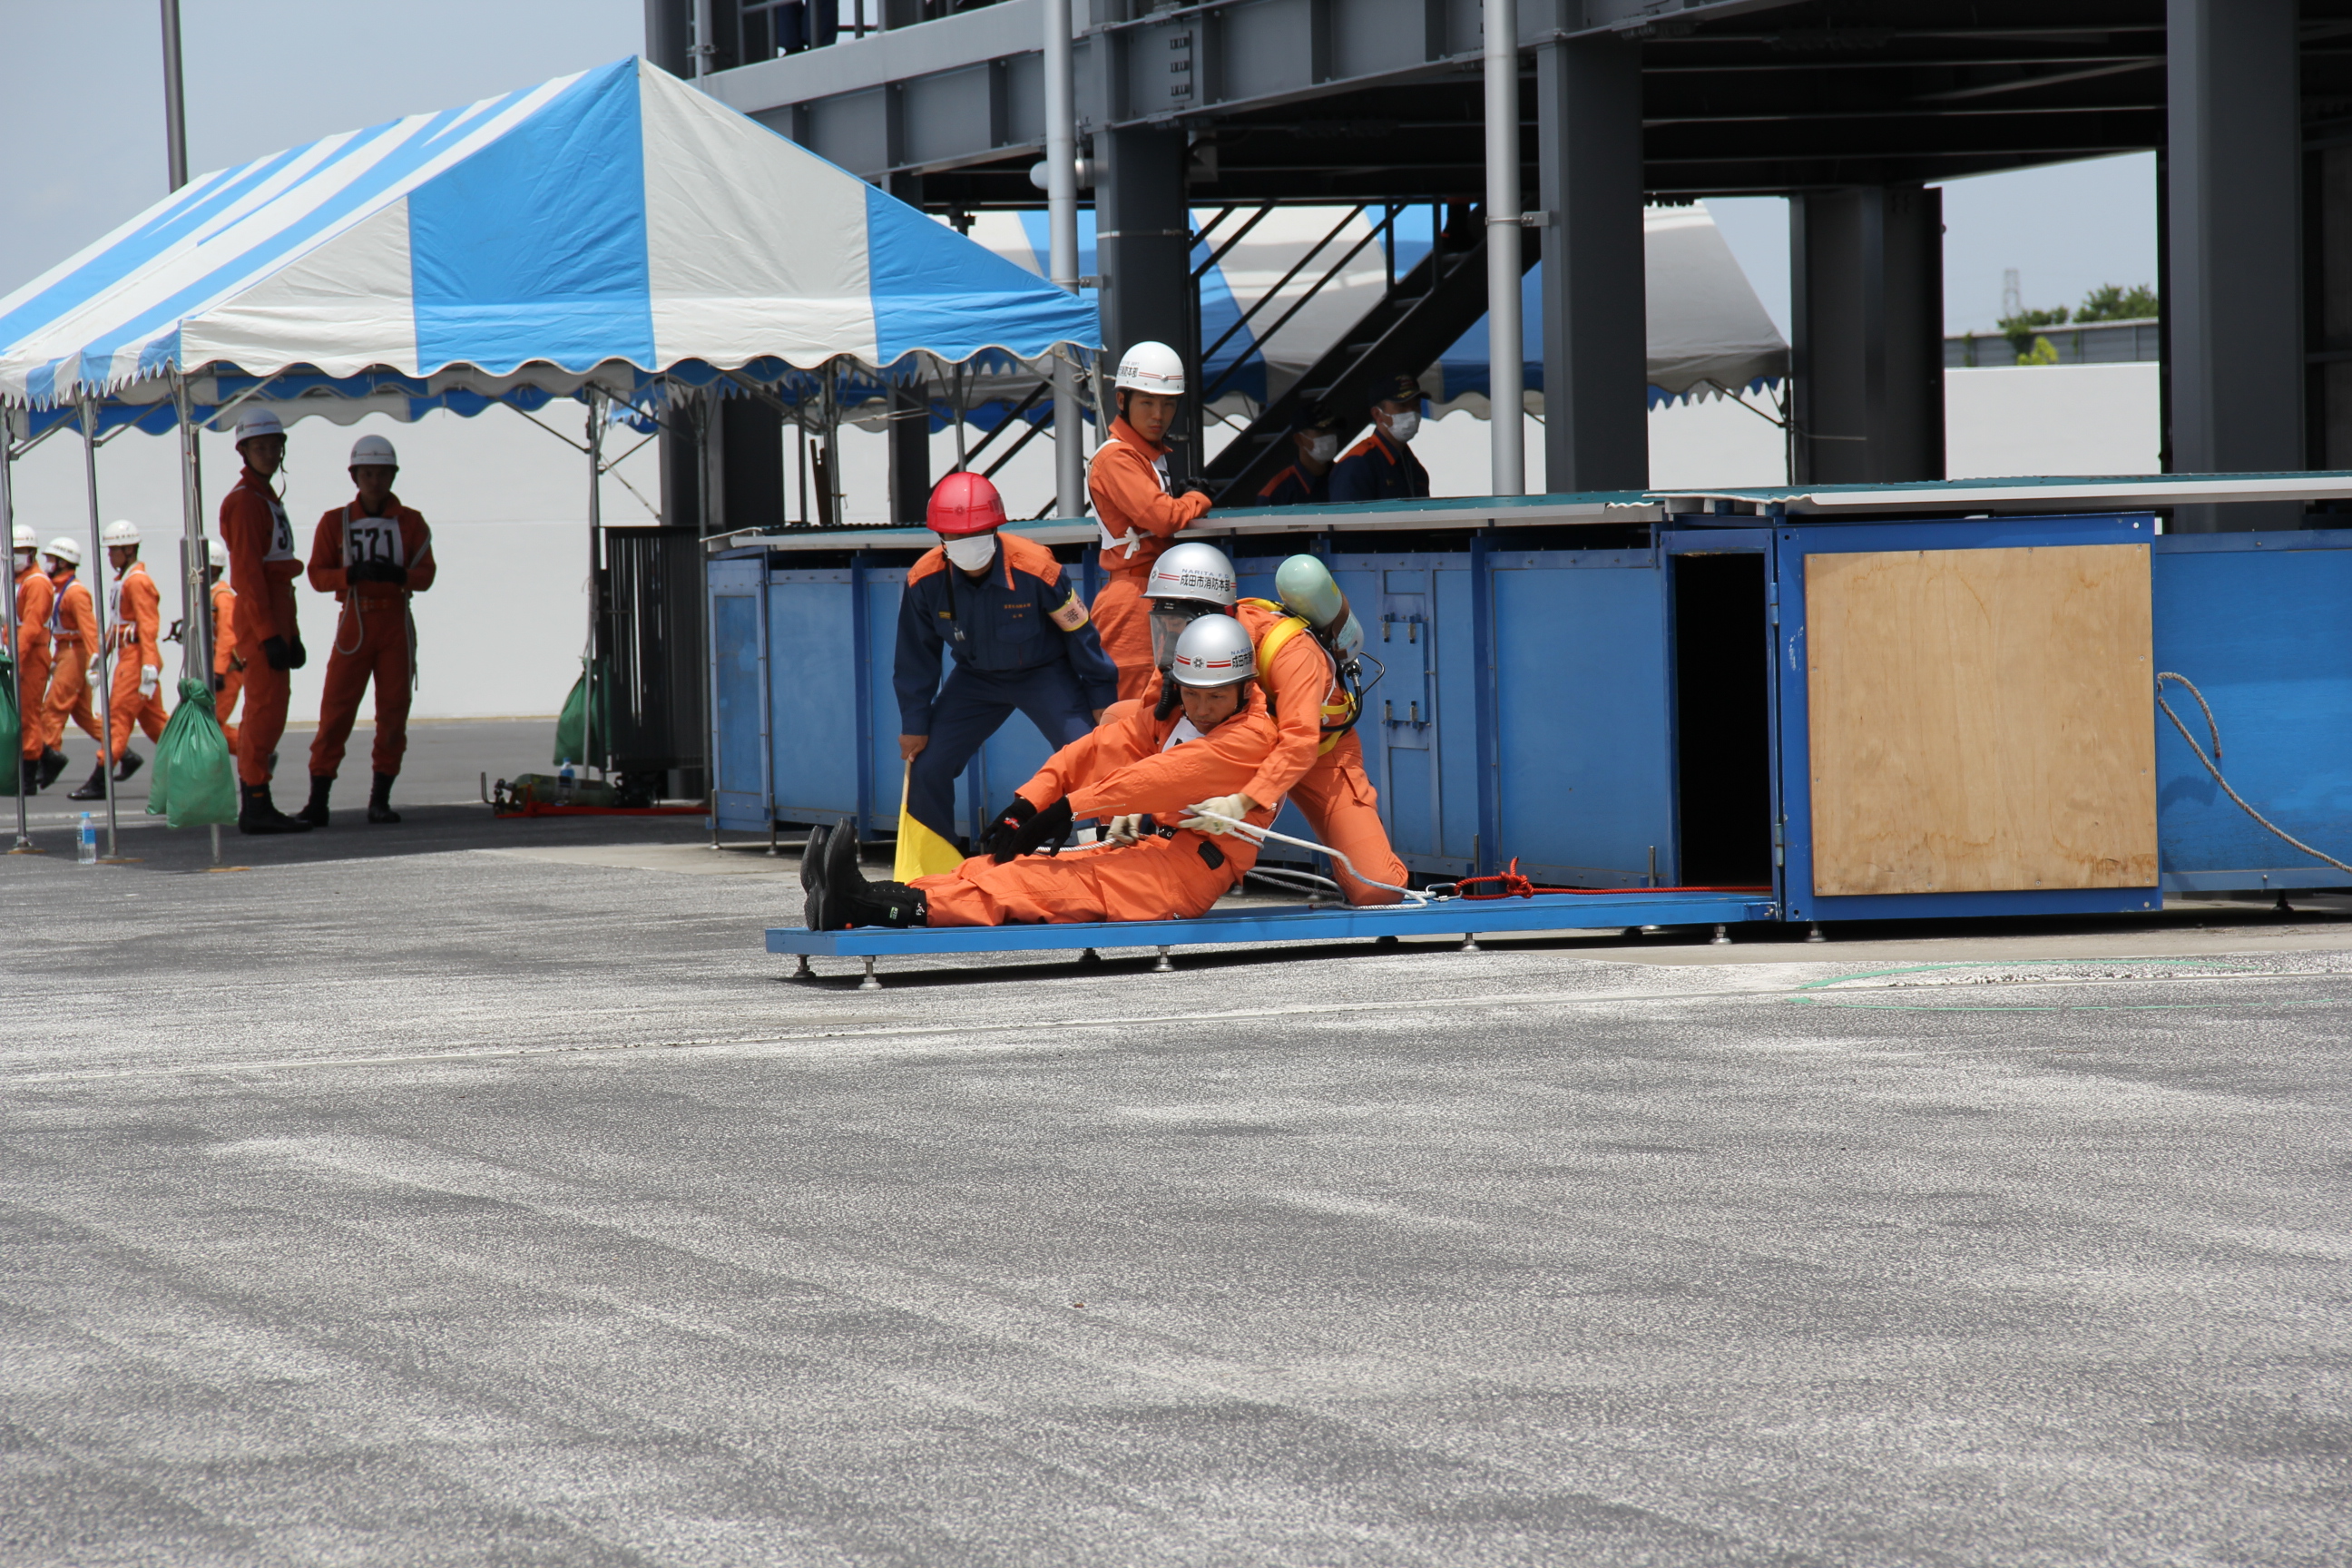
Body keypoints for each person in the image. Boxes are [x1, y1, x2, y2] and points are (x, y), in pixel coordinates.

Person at [807, 613, 1280, 929]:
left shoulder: (1251, 738)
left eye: (1215, 696)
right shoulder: (1177, 709)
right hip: (1154, 848)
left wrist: (1068, 810)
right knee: (1002, 865)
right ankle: (863, 895)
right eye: (1192, 693)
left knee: (1036, 887)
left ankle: (867, 906)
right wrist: (1030, 801)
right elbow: (1095, 749)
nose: (1201, 708)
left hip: (1187, 875)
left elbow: (1160, 778)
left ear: (1244, 688)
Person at [1138, 542, 1408, 905]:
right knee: (1117, 717)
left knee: (1376, 889)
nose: (1171, 639)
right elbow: (1147, 721)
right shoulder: (1184, 649)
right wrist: (1128, 805)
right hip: (1236, 742)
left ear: (1216, 614)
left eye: (1179, 625)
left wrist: (1244, 801)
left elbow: (1299, 742)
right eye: (1163, 625)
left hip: (1317, 754)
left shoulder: (1289, 650)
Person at [893, 470, 1119, 878]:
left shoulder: (1038, 569)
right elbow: (914, 658)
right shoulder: (923, 581)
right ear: (940, 537)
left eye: (976, 533)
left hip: (1044, 672)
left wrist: (1102, 698)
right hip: (975, 679)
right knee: (927, 766)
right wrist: (915, 722)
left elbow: (1080, 633)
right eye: (954, 537)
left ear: (996, 529)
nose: (965, 544)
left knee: (1087, 751)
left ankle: (1100, 854)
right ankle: (937, 871)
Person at [300, 433, 435, 827]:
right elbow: (316, 574)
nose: (374, 480)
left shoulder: (412, 523)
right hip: (354, 621)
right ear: (354, 475)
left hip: (394, 622)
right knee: (335, 711)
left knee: (394, 713)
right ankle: (318, 800)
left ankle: (380, 799)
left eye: (381, 473)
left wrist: (402, 575)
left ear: (393, 476)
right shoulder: (333, 522)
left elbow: (426, 575)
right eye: (367, 473)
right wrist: (348, 574)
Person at [1086, 339, 1214, 700]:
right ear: (1122, 401)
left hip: (1157, 596)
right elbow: (1162, 518)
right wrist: (1198, 499)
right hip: (1132, 602)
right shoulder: (1116, 458)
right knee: (1127, 721)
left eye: (1168, 403)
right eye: (1147, 402)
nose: (1159, 414)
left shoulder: (1147, 457)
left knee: (1161, 716)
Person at [220, 409, 310, 834]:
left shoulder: (266, 498)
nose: (270, 453)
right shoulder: (245, 502)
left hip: (278, 609)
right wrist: (271, 634)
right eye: (261, 447)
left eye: (275, 446)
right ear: (244, 451)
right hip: (262, 615)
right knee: (263, 709)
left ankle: (259, 799)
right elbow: (249, 576)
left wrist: (292, 633)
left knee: (274, 709)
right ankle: (255, 802)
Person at [70, 519, 165, 800]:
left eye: (113, 550)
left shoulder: (137, 582)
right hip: (130, 656)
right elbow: (118, 624)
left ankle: (99, 780)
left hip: (136, 660)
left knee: (117, 718)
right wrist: (102, 654)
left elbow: (147, 625)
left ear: (128, 550)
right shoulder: (124, 581)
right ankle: (201, 763)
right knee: (156, 724)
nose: (109, 556)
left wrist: (148, 663)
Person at [32, 537, 99, 791]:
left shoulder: (75, 592)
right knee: (83, 715)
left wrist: (94, 660)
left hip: (75, 652)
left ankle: (48, 759)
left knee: (53, 707)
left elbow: (89, 629)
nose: (48, 564)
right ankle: (121, 749)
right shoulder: (58, 589)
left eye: (52, 560)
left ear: (63, 562)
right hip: (64, 650)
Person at [1328, 373, 1432, 505]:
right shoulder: (1357, 464)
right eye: (1402, 406)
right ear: (1378, 414)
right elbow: (1345, 523)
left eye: (1416, 406)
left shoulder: (1415, 468)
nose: (1411, 413)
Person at [14, 524, 54, 794]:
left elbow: (30, 626)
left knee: (29, 716)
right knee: (22, 715)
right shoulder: (20, 581)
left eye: (20, 552)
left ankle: (28, 778)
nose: (15, 556)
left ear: (31, 553)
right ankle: (47, 757)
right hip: (20, 652)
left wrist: (14, 656)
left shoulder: (36, 583)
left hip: (30, 655)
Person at [200, 539, 243, 750]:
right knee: (208, 723)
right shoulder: (209, 595)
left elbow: (228, 636)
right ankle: (256, 753)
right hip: (216, 671)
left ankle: (255, 752)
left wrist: (218, 672)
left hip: (227, 672)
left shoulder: (222, 597)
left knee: (212, 724)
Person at [1254, 405, 1339, 507]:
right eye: (1322, 431)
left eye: (1332, 430)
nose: (1329, 437)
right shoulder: (1275, 494)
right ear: (1299, 439)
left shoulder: (1346, 478)